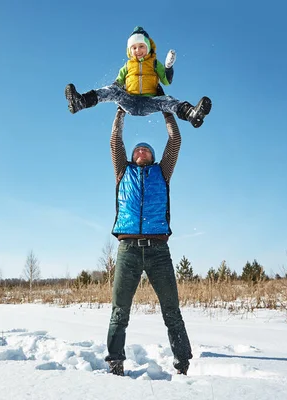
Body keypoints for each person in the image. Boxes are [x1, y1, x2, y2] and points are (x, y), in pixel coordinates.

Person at [104, 107, 193, 376]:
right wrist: (120, 113)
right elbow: (115, 141)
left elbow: (175, 140)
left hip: (158, 252)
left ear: (153, 157)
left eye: (146, 150)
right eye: (137, 150)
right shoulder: (123, 172)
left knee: (171, 309)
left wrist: (168, 113)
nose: (141, 151)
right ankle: (116, 361)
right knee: (120, 310)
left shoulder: (162, 173)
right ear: (131, 157)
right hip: (128, 250)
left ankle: (182, 361)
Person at [65, 26, 212, 128]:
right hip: (129, 101)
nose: (138, 50)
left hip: (149, 102)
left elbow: (166, 81)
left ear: (148, 47)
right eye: (134, 48)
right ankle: (81, 102)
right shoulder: (127, 66)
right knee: (113, 91)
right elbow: (117, 84)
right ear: (130, 51)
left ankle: (191, 114)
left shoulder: (154, 63)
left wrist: (168, 68)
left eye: (141, 46)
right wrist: (116, 97)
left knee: (167, 100)